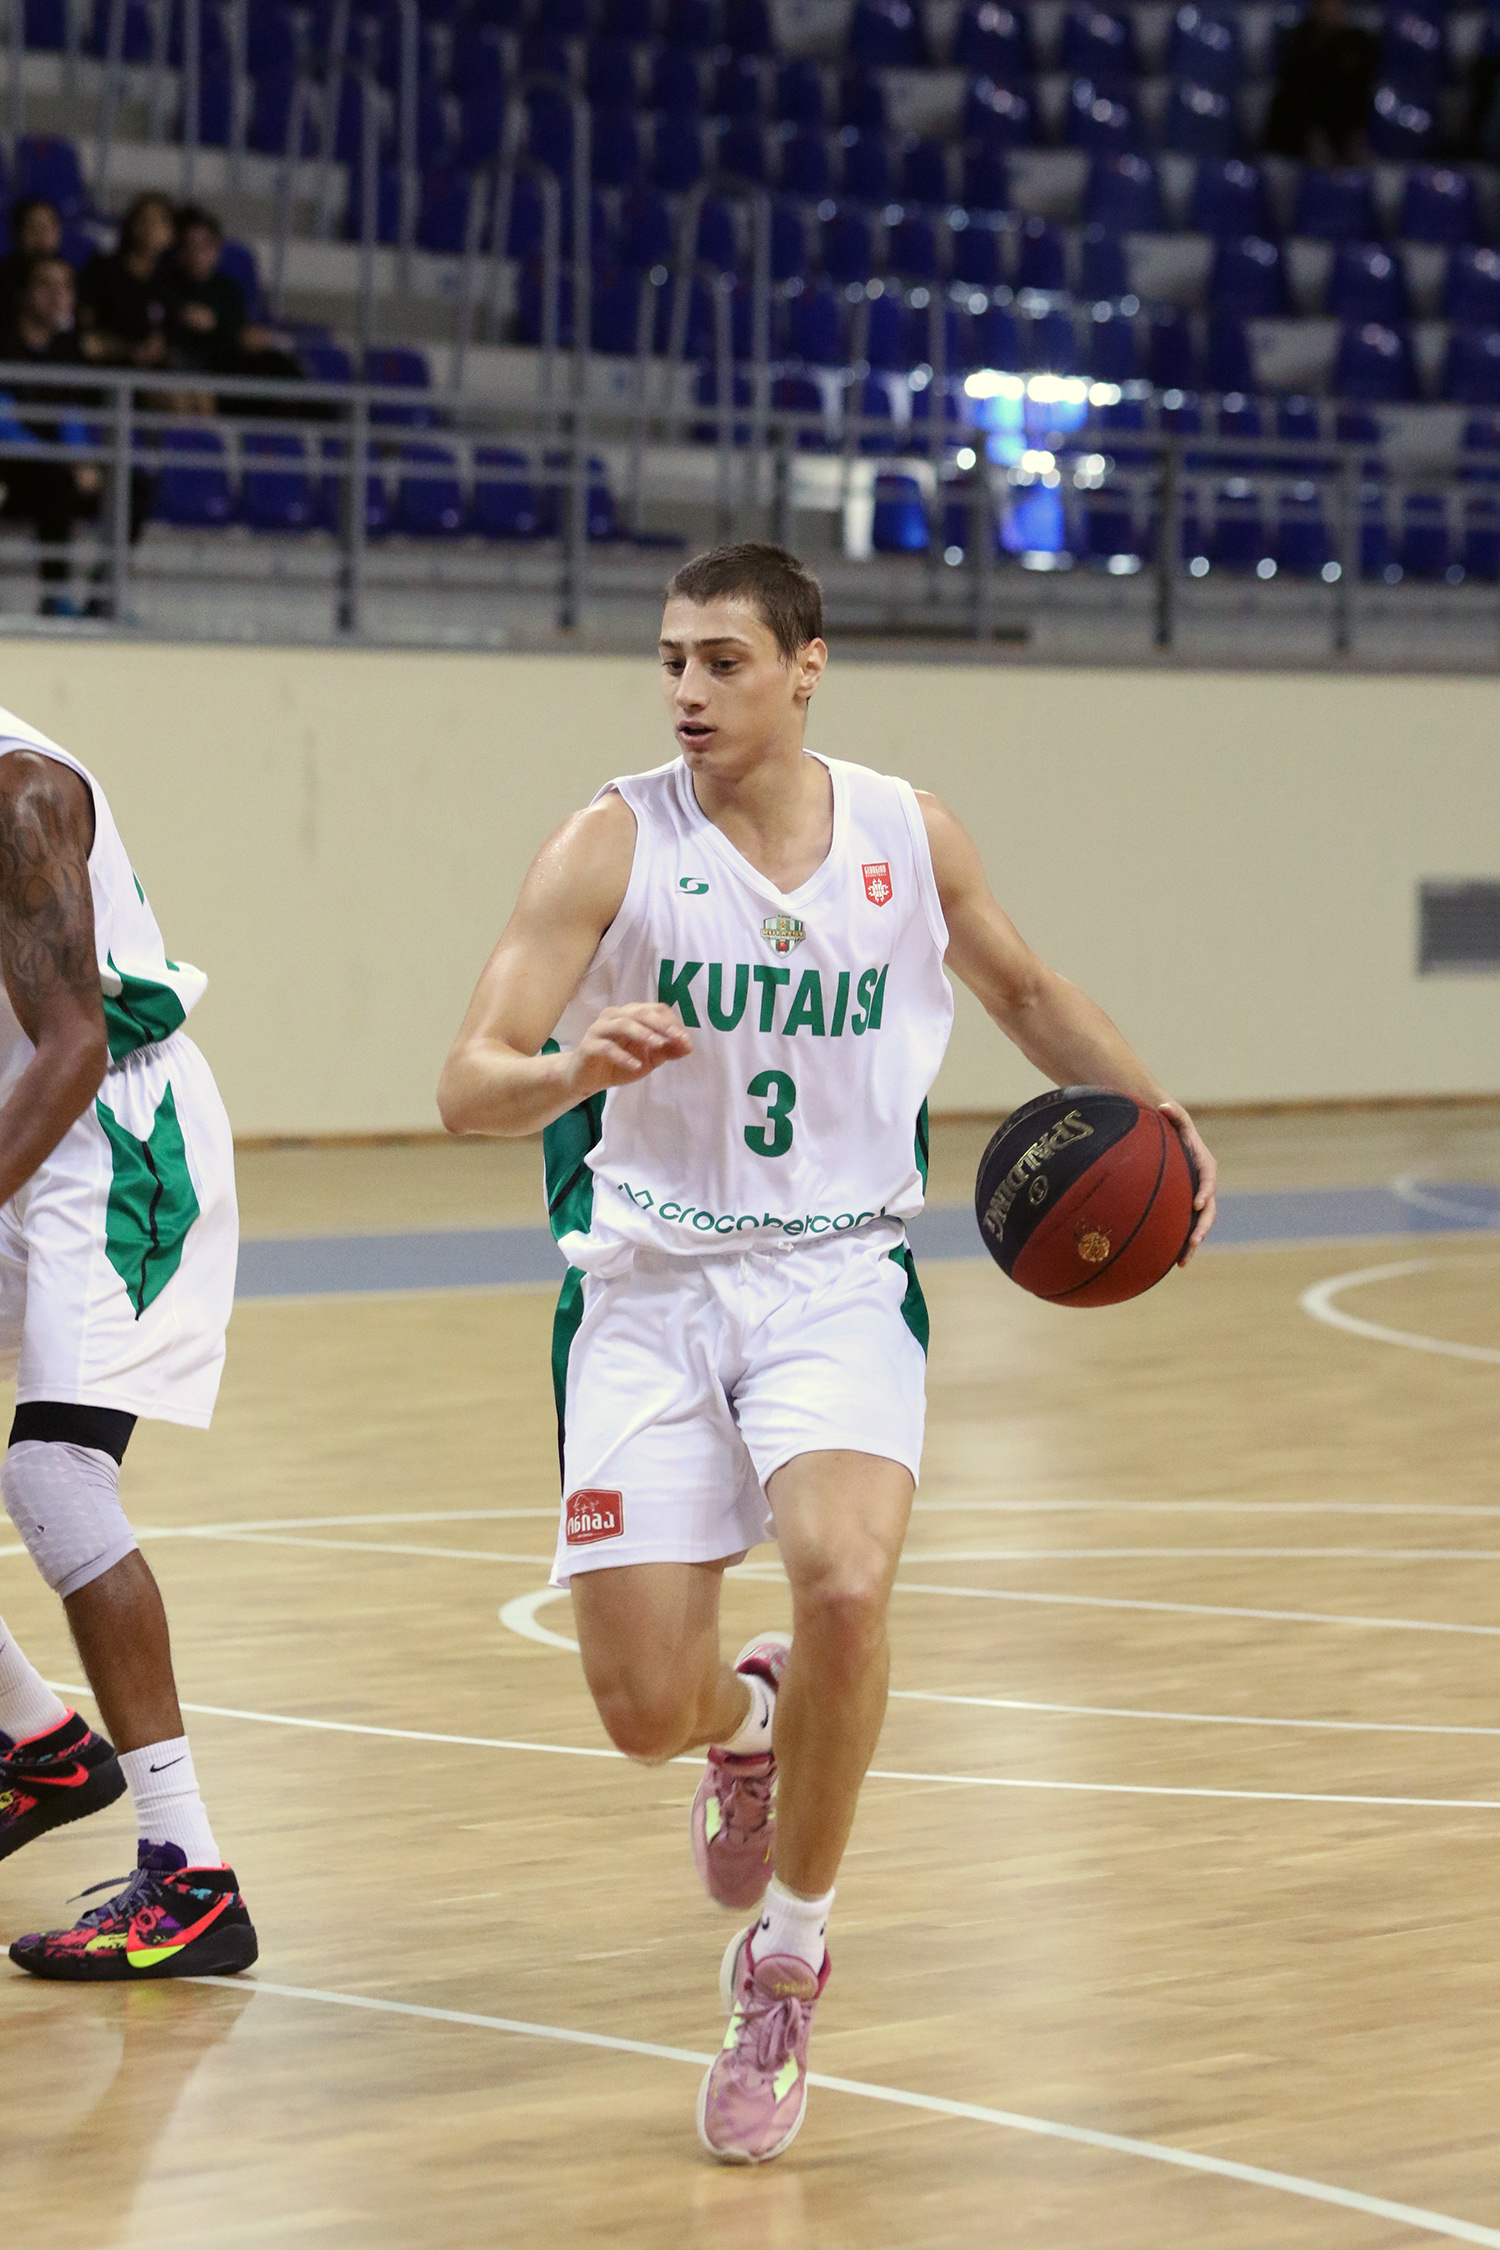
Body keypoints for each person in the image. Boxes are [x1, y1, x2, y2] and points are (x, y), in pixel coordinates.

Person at [437, 541, 1218, 2163]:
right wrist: (571, 1069)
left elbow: (1024, 988)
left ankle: (784, 1962)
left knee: (846, 1580)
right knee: (641, 1709)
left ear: (807, 667)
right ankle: (744, 1727)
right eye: (671, 659)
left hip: (837, 1276)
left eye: (722, 660)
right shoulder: (609, 842)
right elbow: (466, 1083)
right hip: (647, 1287)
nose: (687, 690)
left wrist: (1159, 1120)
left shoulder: (904, 835)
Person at [0, 701, 256, 1982]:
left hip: (112, 1137)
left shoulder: (20, 794)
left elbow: (72, 1042)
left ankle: (190, 1872)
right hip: (27, 1120)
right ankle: (34, 1742)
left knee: (54, 1474)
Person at [0, 253, 103, 615]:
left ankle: (103, 598)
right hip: (12, 469)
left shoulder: (67, 350)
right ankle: (55, 596)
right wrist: (63, 462)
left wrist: (81, 461)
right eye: (47, 284)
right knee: (57, 481)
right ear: (23, 294)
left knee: (130, 485)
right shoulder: (5, 344)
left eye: (66, 285)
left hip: (53, 468)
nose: (59, 294)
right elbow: (4, 425)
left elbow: (71, 416)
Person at [163, 205, 301, 394]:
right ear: (178, 251)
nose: (197, 255)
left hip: (234, 359)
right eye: (189, 246)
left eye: (205, 246)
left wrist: (220, 327)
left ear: (217, 249)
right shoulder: (167, 285)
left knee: (280, 365)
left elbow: (239, 330)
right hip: (200, 366)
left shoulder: (228, 288)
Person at [1263, 0, 1379, 166]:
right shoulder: (1299, 43)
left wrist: (1354, 133)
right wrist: (1313, 133)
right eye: (1327, 5)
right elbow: (1297, 94)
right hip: (1295, 135)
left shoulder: (1355, 43)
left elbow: (1359, 91)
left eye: (1336, 5)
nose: (1331, 10)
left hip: (1341, 130)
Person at [76, 193, 175, 369]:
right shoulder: (102, 269)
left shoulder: (170, 280)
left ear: (171, 234)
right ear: (130, 225)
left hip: (155, 371)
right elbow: (85, 329)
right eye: (144, 220)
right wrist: (128, 350)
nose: (150, 228)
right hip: (107, 367)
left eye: (159, 221)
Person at [0, 198, 68, 333]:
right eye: (34, 227)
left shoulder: (68, 273)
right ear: (18, 233)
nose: (42, 234)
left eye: (48, 226)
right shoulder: (3, 276)